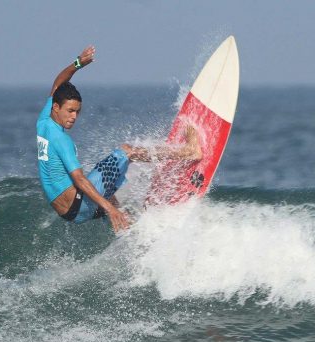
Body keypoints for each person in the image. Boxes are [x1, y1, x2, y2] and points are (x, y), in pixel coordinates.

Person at [37, 45, 201, 232]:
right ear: (57, 107)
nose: (74, 116)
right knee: (126, 151)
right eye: (70, 111)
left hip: (68, 213)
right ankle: (188, 152)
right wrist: (110, 210)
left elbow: (58, 83)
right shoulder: (61, 140)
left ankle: (135, 231)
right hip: (80, 204)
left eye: (77, 111)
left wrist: (78, 63)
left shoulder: (43, 121)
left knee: (105, 182)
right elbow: (80, 180)